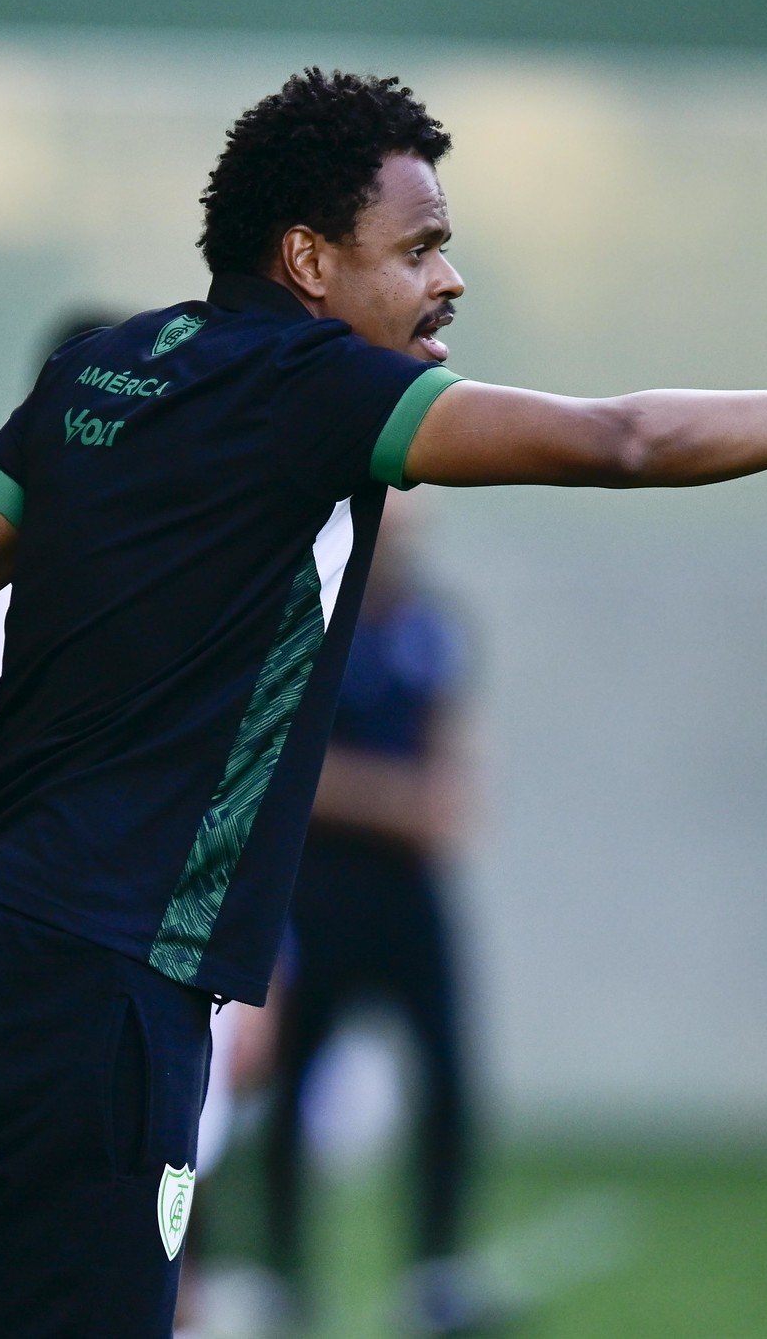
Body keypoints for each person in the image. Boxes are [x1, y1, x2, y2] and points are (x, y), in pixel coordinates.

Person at [0, 67, 767, 1339]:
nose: (448, 279)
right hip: (106, 980)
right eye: (421, 247)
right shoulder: (317, 390)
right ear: (308, 261)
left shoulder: (98, 368)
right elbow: (623, 442)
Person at [262, 494, 494, 1336]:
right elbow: (293, 768)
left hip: (408, 890)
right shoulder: (314, 619)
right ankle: (283, 1275)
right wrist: (404, 801)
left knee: (449, 1076)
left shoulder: (435, 624)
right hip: (317, 884)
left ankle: (437, 1270)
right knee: (292, 1084)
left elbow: (456, 751)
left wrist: (448, 794)